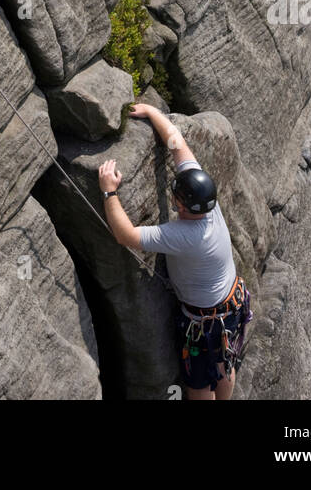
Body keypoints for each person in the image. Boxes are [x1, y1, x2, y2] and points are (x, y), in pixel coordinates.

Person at [97, 101, 252, 400]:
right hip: (230, 305)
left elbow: (125, 235)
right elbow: (177, 145)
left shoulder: (186, 235)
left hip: (204, 323)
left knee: (198, 384)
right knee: (224, 362)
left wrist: (109, 191)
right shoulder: (208, 201)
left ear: (181, 204)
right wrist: (153, 113)